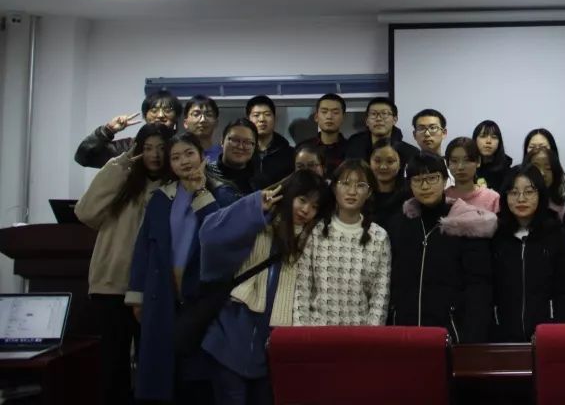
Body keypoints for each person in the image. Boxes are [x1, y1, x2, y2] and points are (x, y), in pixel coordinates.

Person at [125, 133, 239, 403]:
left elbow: (220, 237)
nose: (184, 161)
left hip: (204, 299)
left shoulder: (222, 193)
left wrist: (200, 193)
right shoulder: (161, 198)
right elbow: (144, 248)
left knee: (200, 378)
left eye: (189, 154)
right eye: (175, 157)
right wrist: (137, 296)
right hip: (163, 295)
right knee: (163, 373)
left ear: (202, 156)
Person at [199, 171, 327, 404]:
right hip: (230, 334)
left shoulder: (312, 240)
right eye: (302, 200)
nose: (306, 210)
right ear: (288, 195)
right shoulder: (258, 220)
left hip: (270, 347)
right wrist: (252, 207)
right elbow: (209, 234)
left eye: (314, 206)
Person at [75, 123, 172, 405]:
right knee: (112, 367)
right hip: (112, 284)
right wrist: (119, 166)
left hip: (152, 289)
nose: (154, 155)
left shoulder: (173, 187)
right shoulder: (122, 179)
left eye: (161, 148)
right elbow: (85, 212)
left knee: (151, 368)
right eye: (147, 148)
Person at [385, 152, 495, 342]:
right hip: (404, 333)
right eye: (417, 180)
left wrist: (471, 335)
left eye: (432, 178)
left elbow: (478, 287)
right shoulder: (399, 225)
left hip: (450, 335)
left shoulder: (466, 224)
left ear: (445, 180)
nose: (425, 186)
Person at [294, 161, 391, 326]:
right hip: (317, 331)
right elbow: (302, 289)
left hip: (360, 334)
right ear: (334, 188)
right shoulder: (315, 231)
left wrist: (370, 337)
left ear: (369, 192)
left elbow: (380, 298)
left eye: (360, 185)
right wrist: (302, 334)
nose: (352, 191)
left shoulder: (379, 237)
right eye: (345, 183)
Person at [491, 167, 565, 341]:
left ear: (541, 195)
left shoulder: (558, 235)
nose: (521, 198)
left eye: (529, 192)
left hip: (549, 336)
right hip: (501, 337)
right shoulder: (494, 235)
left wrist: (560, 334)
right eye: (513, 192)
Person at [74, 89, 181, 169]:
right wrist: (107, 130)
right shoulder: (128, 146)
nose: (160, 115)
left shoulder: (183, 146)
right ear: (145, 116)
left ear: (176, 117)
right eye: (154, 110)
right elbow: (84, 158)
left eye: (167, 110)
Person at [207, 118, 278, 195]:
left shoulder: (261, 181)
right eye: (235, 140)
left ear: (254, 147)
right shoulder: (207, 175)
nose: (240, 146)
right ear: (222, 141)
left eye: (247, 142)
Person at [344, 97, 420, 165]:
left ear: (395, 120)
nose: (379, 119)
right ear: (367, 121)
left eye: (384, 113)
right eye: (373, 114)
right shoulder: (353, 147)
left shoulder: (410, 153)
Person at [246, 95, 295, 186]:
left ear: (275, 118)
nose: (262, 119)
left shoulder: (290, 154)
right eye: (256, 115)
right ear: (248, 119)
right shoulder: (241, 151)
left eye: (267, 114)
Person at [444, 137, 501, 212]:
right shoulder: (442, 197)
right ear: (447, 163)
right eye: (454, 161)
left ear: (478, 161)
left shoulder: (492, 198)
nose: (460, 167)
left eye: (467, 160)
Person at [297, 94, 349, 173]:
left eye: (335, 112)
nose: (329, 116)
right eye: (324, 112)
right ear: (316, 117)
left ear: (343, 118)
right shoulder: (303, 148)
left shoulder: (351, 149)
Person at [369, 138, 409, 227]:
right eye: (377, 161)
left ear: (400, 164)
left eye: (390, 161)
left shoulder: (409, 197)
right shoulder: (363, 195)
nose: (383, 166)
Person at [523, 145, 565, 218]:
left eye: (548, 168)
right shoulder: (517, 203)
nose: (542, 173)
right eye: (536, 167)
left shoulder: (561, 209)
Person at [474, 120, 513, 189]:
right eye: (483, 136)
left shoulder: (508, 173)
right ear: (475, 140)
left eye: (494, 137)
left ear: (499, 143)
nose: (488, 141)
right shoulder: (468, 169)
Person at [184, 95, 223, 163]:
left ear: (216, 122)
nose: (203, 120)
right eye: (196, 114)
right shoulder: (176, 153)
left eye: (209, 115)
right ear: (185, 123)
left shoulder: (224, 155)